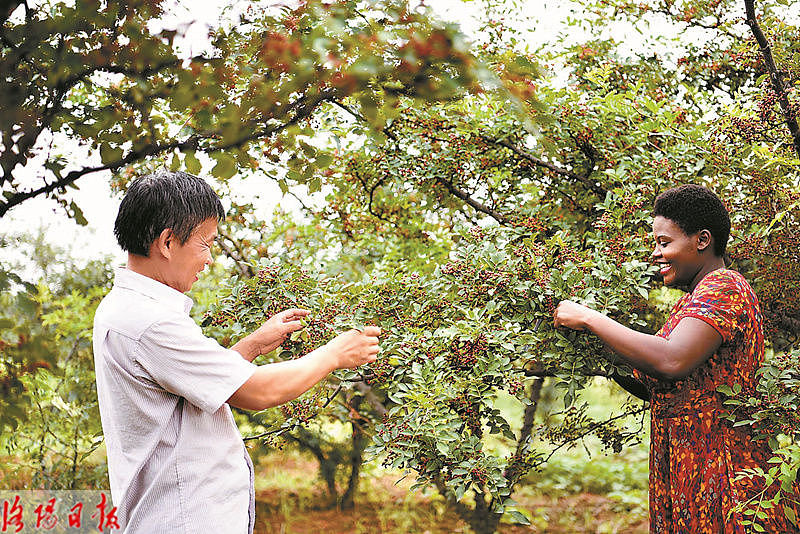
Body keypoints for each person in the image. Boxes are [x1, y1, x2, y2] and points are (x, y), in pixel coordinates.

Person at [92, 169, 381, 534]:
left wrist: (252, 345)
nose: (209, 258)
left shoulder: (127, 308)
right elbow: (259, 392)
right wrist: (335, 353)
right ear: (167, 243)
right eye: (205, 243)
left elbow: (187, 386)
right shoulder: (150, 321)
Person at [553, 184, 799, 533]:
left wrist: (593, 318)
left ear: (702, 240)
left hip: (723, 475)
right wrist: (597, 344)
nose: (656, 253)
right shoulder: (690, 303)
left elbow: (671, 361)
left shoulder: (725, 286)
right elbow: (655, 381)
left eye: (664, 243)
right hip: (687, 470)